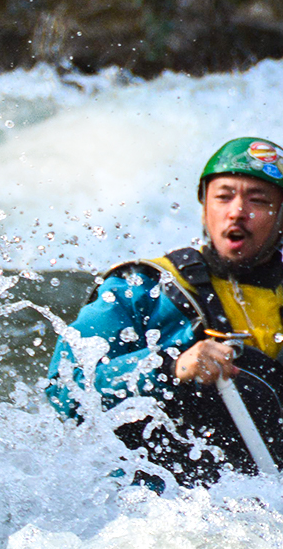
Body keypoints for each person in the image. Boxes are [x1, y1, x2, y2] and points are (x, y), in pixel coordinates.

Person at [47, 136, 283, 487]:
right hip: (158, 511)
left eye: (258, 201)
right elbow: (66, 390)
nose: (237, 211)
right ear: (204, 208)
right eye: (223, 197)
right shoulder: (141, 290)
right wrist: (168, 366)